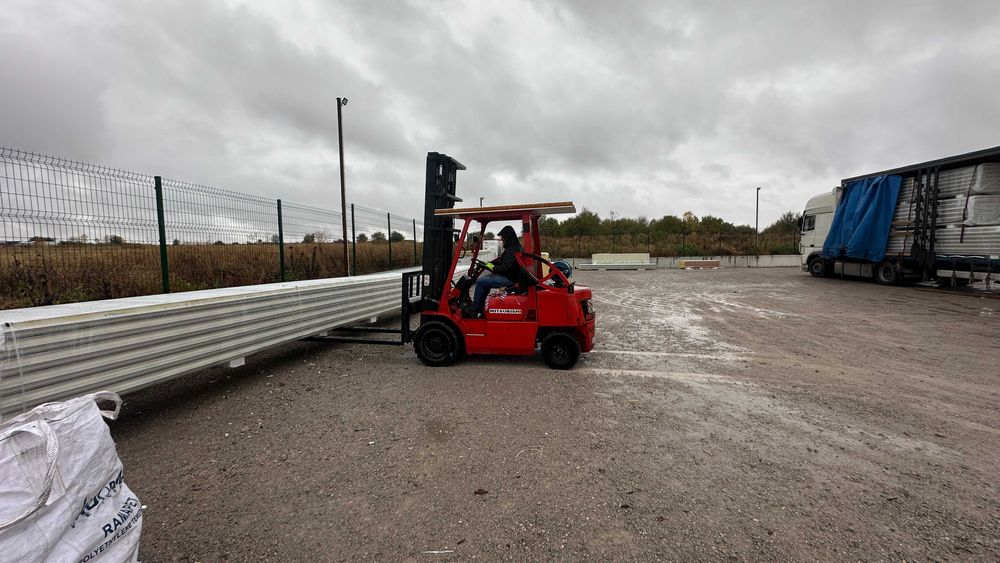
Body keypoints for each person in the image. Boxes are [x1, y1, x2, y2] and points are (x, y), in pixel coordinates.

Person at [472, 225, 522, 316]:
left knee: (480, 281)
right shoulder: (512, 248)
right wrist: (488, 265)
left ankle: (476, 308)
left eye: (503, 238)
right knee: (486, 279)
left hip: (510, 279)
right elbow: (503, 263)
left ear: (508, 237)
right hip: (510, 276)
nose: (502, 240)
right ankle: (482, 307)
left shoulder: (512, 250)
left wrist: (493, 268)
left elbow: (506, 268)